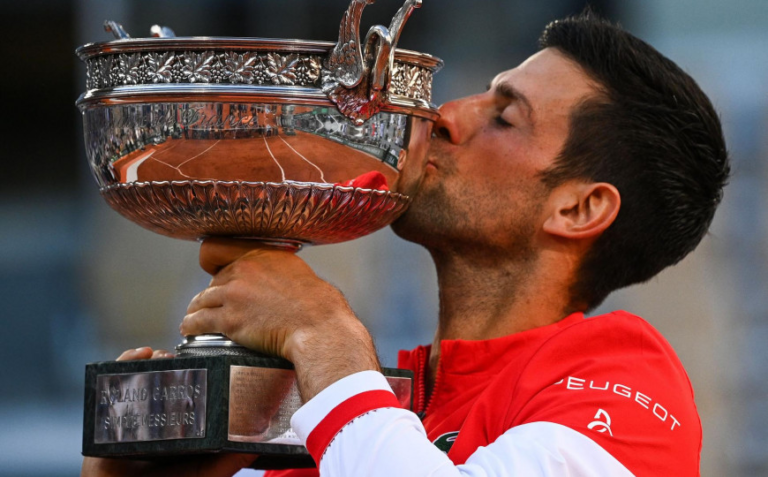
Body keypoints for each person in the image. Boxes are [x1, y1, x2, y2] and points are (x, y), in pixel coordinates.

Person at [83, 12, 729, 477]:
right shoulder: (369, 411)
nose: (445, 116)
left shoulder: (626, 390)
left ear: (579, 207)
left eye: (504, 117)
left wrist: (320, 329)